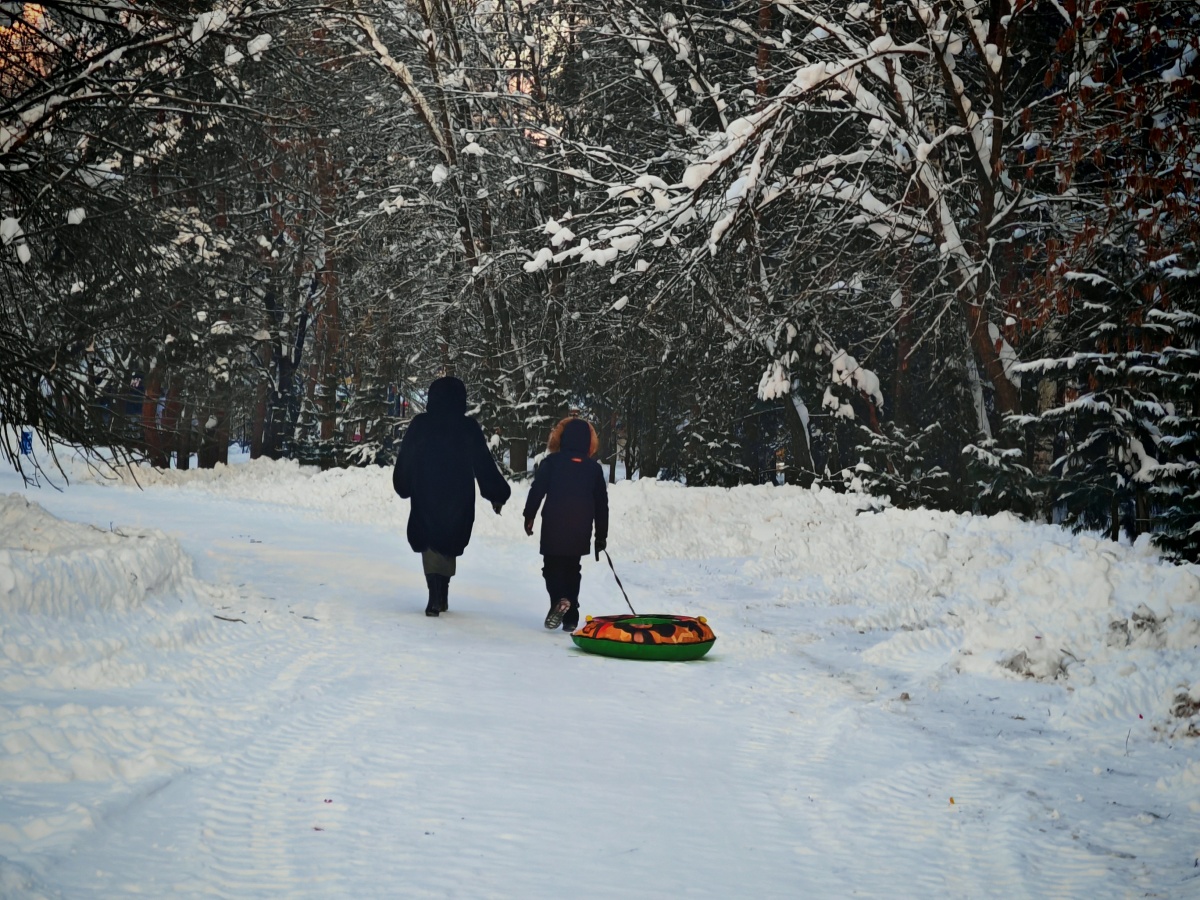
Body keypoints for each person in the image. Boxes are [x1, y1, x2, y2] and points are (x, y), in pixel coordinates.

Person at [394, 376, 511, 616]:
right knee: (448, 542)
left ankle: (435, 594)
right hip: (458, 497)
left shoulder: (421, 425)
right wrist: (497, 493)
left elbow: (407, 458)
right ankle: (441, 593)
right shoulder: (467, 427)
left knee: (429, 543)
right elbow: (483, 464)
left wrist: (403, 485)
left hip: (426, 492)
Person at [523, 416, 609, 631]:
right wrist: (601, 536)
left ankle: (559, 600)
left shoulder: (551, 463)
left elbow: (537, 490)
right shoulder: (594, 469)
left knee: (551, 567)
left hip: (554, 524)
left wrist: (529, 516)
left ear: (561, 438)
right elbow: (601, 504)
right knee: (572, 568)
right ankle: (571, 617)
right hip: (581, 527)